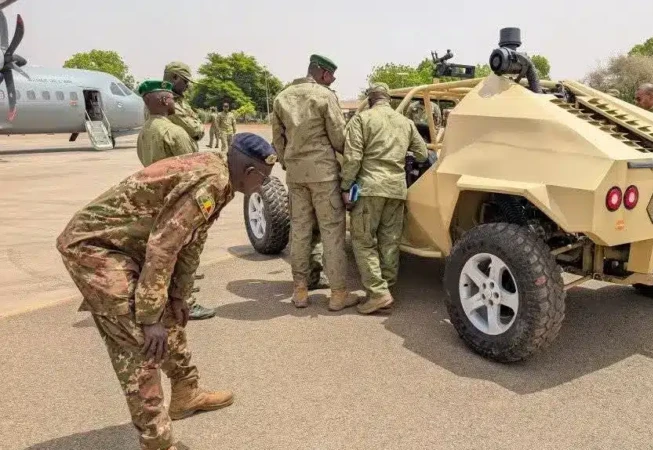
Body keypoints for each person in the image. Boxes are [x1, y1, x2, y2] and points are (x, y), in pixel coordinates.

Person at [56, 130, 276, 450]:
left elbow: (191, 240)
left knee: (168, 315)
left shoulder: (224, 176)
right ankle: (157, 442)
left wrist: (177, 296)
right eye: (265, 179)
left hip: (128, 247)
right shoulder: (211, 180)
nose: (265, 185)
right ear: (250, 172)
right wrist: (148, 316)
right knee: (140, 343)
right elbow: (163, 247)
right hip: (94, 249)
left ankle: (186, 391)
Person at [272, 53, 355, 311]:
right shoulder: (324, 96)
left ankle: (300, 291)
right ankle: (339, 294)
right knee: (332, 232)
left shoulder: (281, 97)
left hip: (296, 176)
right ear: (320, 72)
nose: (332, 80)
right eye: (330, 75)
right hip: (324, 175)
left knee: (300, 231)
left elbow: (278, 140)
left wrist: (290, 163)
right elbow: (339, 137)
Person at [340, 82, 430, 314]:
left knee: (363, 241)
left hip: (369, 189)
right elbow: (422, 153)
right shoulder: (406, 122)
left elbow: (352, 157)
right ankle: (387, 291)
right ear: (388, 99)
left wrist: (345, 186)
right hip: (396, 189)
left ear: (370, 99)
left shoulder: (361, 120)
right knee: (390, 243)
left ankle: (378, 294)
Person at [135, 80, 217, 321]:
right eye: (170, 98)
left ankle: (170, 296)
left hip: (158, 199)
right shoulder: (173, 131)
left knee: (167, 249)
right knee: (187, 248)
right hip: (180, 200)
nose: (173, 102)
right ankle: (186, 302)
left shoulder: (145, 131)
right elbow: (194, 166)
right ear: (162, 101)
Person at [136, 81, 196, 167]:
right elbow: (192, 167)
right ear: (164, 101)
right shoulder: (174, 132)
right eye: (173, 99)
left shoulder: (143, 131)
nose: (174, 103)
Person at [162, 61, 205, 150]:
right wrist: (198, 123)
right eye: (185, 81)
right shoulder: (167, 102)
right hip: (171, 159)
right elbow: (196, 131)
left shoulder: (176, 100)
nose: (187, 85)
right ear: (174, 77)